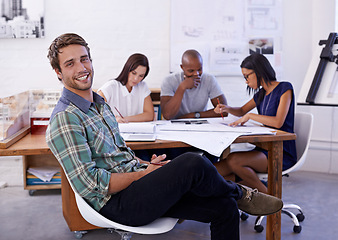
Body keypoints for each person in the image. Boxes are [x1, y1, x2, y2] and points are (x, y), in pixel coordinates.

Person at [46, 33, 283, 240]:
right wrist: (142, 174)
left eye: (84, 58)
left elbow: (121, 155)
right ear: (58, 72)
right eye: (70, 63)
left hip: (135, 185)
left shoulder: (100, 106)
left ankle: (235, 197)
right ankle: (242, 193)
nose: (81, 68)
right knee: (193, 161)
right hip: (116, 204)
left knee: (225, 207)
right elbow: (92, 184)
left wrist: (148, 166)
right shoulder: (66, 118)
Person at [214, 53, 297, 194]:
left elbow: (278, 122)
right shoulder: (260, 94)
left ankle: (270, 198)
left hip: (280, 152)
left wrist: (250, 116)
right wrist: (226, 108)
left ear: (258, 72)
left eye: (247, 76)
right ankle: (257, 193)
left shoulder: (285, 88)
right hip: (262, 148)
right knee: (216, 171)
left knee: (234, 160)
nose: (246, 81)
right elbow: (241, 111)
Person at [160, 49, 227, 120]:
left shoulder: (209, 79)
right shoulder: (169, 80)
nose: (196, 74)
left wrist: (193, 115)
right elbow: (167, 115)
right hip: (174, 126)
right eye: (191, 71)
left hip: (198, 123)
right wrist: (182, 87)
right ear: (182, 67)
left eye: (199, 69)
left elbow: (224, 111)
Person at [97, 53, 154, 123]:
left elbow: (150, 115)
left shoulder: (142, 86)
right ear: (127, 69)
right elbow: (96, 109)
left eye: (141, 76)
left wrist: (125, 119)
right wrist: (114, 118)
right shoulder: (111, 86)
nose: (136, 79)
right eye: (134, 73)